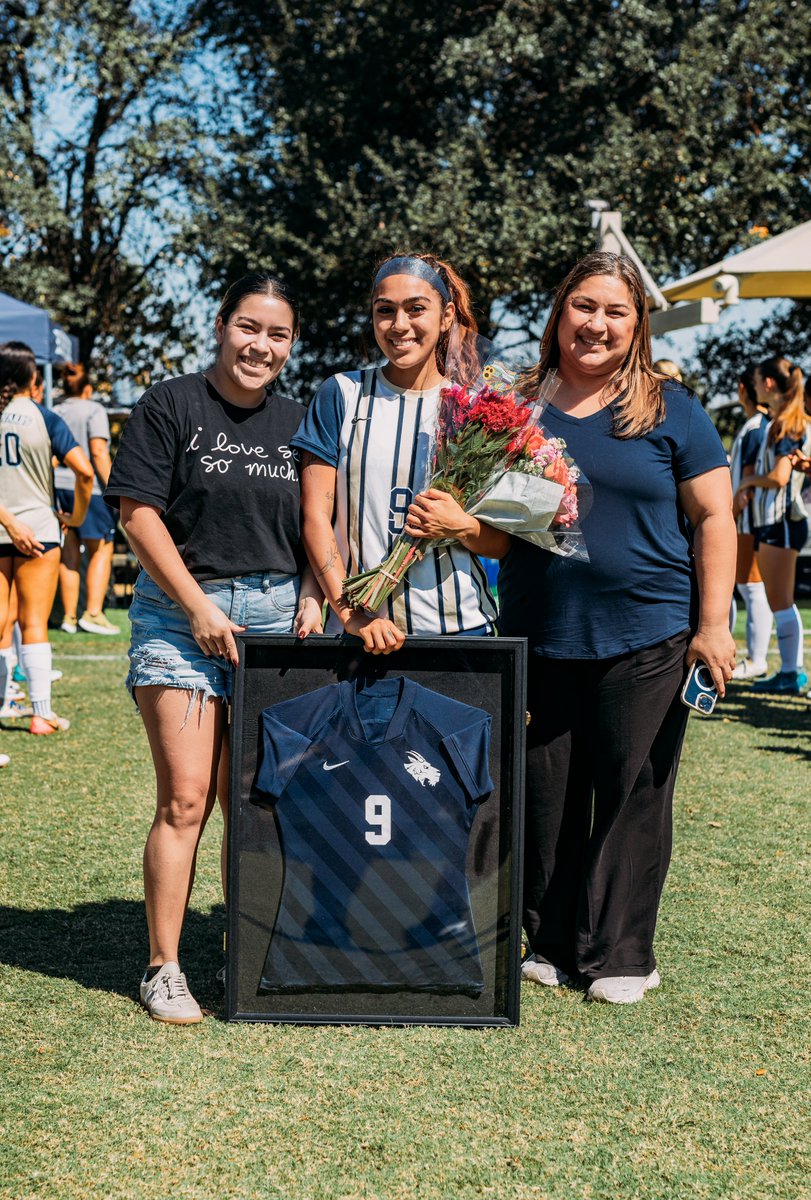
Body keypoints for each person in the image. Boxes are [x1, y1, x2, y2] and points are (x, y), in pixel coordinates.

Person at [498, 251, 736, 1004]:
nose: (596, 324)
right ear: (558, 314)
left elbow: (714, 519)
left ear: (636, 326)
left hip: (650, 634)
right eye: (583, 307)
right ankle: (555, 941)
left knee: (632, 793)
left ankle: (625, 955)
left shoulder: (671, 409)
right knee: (547, 796)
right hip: (540, 632)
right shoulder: (514, 407)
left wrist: (711, 625)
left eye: (615, 312)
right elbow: (498, 527)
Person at [104, 272, 323, 1025]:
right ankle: (163, 967)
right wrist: (197, 607)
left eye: (278, 334)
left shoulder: (302, 418)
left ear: (290, 345)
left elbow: (320, 520)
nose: (260, 345)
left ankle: (251, 949)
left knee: (254, 804)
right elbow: (138, 517)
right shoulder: (170, 405)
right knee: (187, 798)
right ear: (221, 325)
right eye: (248, 327)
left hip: (273, 621)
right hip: (179, 617)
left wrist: (315, 589)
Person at [291, 252, 508, 655]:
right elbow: (315, 519)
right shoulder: (340, 394)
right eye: (385, 311)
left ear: (446, 317)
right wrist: (351, 616)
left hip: (462, 633)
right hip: (362, 634)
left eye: (416, 309)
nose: (399, 325)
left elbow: (501, 543)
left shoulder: (480, 410)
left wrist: (460, 526)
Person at [0, 342, 94, 735]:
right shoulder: (45, 417)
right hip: (39, 530)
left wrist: (7, 522)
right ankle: (41, 714)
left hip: (1, 525)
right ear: (34, 380)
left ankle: (6, 701)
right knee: (34, 623)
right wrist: (76, 516)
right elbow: (85, 473)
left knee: (2, 622)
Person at [736, 355, 811, 695]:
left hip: (781, 520)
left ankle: (792, 672)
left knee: (780, 600)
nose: (753, 387)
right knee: (779, 599)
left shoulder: (788, 423)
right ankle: (790, 671)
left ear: (768, 384)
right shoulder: (784, 421)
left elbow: (780, 477)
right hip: (776, 521)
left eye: (756, 381)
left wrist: (749, 484)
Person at [54, 363, 120, 635]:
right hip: (88, 487)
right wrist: (115, 489)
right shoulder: (94, 409)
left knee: (69, 551)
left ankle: (69, 617)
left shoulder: (55, 410)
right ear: (89, 389)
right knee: (102, 548)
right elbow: (98, 452)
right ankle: (93, 613)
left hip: (58, 487)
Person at [729, 366, 772, 679]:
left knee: (751, 586)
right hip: (745, 517)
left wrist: (733, 511)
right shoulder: (754, 425)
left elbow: (748, 477)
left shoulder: (757, 427)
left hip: (747, 519)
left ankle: (757, 659)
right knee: (746, 586)